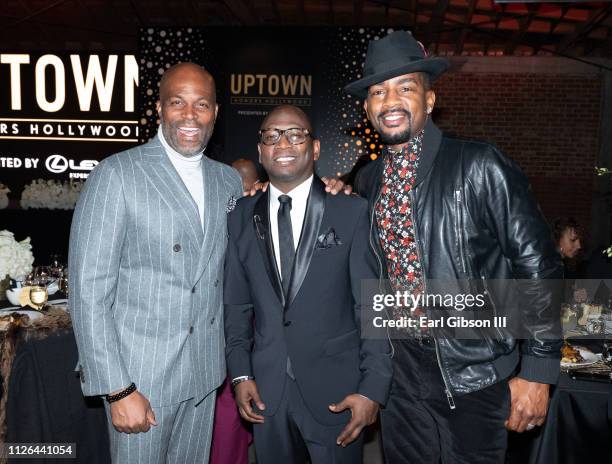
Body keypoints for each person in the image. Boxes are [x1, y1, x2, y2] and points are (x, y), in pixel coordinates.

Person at [340, 31, 562, 463]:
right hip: (401, 377)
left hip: (474, 373)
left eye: (406, 87)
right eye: (379, 92)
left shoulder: (480, 164)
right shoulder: (367, 180)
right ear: (368, 108)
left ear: (429, 101)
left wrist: (537, 372)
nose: (391, 101)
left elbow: (539, 265)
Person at [69, 62, 243, 463]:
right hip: (140, 380)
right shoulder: (117, 174)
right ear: (160, 109)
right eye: (177, 102)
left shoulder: (227, 181)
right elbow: (88, 291)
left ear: (215, 112)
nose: (189, 115)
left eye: (201, 104)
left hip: (203, 376)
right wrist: (117, 388)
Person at [223, 105, 392, 463]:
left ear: (314, 148)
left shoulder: (350, 211)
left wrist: (372, 389)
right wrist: (240, 375)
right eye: (271, 136)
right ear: (261, 150)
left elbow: (372, 305)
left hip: (337, 391)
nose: (282, 142)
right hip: (266, 391)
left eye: (295, 134)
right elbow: (236, 307)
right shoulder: (239, 215)